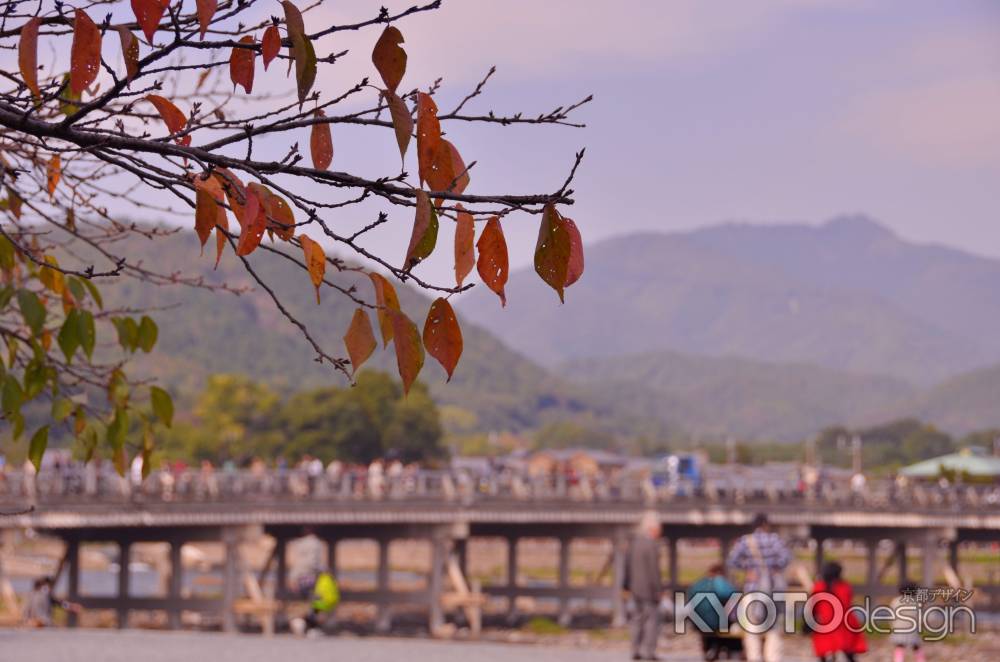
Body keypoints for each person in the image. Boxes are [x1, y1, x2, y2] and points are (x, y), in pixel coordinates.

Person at [727, 513, 791, 662]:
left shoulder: (745, 541)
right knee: (773, 628)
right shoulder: (775, 539)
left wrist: (748, 569)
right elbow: (786, 557)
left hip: (752, 589)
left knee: (752, 628)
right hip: (773, 589)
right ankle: (773, 658)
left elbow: (732, 561)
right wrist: (775, 568)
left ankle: (754, 658)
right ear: (766, 525)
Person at [624, 511, 663, 661]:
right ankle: (649, 652)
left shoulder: (634, 543)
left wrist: (626, 585)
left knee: (636, 621)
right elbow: (654, 570)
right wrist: (658, 590)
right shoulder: (652, 545)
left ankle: (635, 650)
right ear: (653, 528)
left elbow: (627, 566)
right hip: (649, 591)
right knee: (652, 621)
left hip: (635, 589)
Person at [811, 561, 867, 662]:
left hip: (825, 624)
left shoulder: (818, 587)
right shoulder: (845, 587)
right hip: (844, 624)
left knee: (823, 652)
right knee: (849, 653)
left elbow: (813, 607)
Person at [687, 563, 740, 661]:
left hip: (697, 623)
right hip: (715, 622)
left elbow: (689, 599)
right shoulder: (719, 581)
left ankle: (710, 651)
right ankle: (725, 650)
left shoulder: (698, 583)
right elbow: (733, 595)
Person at [290, 568, 340, 637]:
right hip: (332, 603)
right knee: (314, 612)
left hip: (321, 602)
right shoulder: (328, 578)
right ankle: (313, 629)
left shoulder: (316, 579)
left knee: (313, 614)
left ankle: (311, 629)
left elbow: (303, 588)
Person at [890, 583, 925, 662]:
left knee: (899, 646)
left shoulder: (896, 601)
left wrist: (892, 626)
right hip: (912, 628)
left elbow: (892, 615)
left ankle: (898, 660)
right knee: (916, 646)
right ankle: (921, 660)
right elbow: (919, 616)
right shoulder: (915, 602)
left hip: (899, 628)